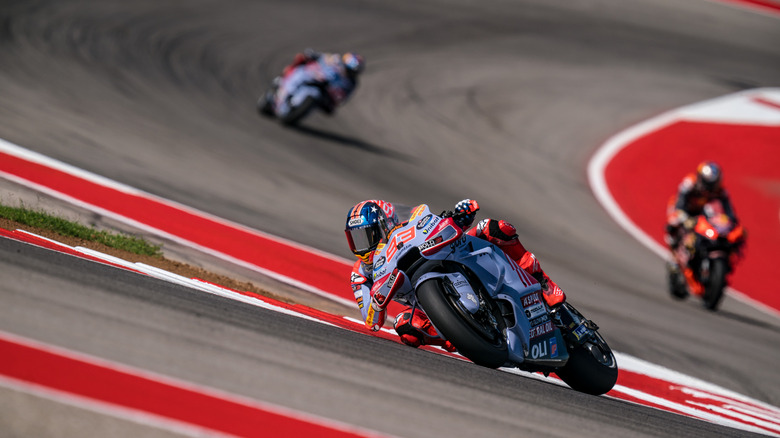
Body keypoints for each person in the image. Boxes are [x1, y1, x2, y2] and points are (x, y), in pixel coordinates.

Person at [344, 199, 566, 352]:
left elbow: (438, 225)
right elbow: (371, 321)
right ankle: (457, 334)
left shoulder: (405, 229)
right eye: (356, 240)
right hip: (425, 304)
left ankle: (543, 282)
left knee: (494, 228)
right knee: (405, 327)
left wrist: (461, 216)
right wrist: (378, 297)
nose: (363, 247)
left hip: (447, 259)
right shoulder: (360, 273)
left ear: (383, 227)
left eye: (367, 236)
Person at [260, 49, 364, 117]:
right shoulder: (334, 60)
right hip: (314, 75)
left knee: (324, 107)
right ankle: (282, 89)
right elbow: (321, 56)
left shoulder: (351, 83)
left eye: (352, 72)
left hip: (326, 91)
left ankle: (297, 109)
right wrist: (312, 55)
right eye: (348, 69)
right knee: (300, 71)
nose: (348, 73)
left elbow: (343, 98)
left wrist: (334, 99)